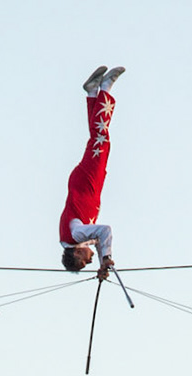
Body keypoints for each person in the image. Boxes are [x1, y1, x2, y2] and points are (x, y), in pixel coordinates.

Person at [59, 65, 126, 280]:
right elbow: (96, 240)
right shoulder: (73, 239)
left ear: (77, 251)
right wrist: (103, 263)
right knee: (98, 138)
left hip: (86, 183)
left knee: (101, 139)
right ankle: (92, 92)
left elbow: (104, 232)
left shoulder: (76, 235)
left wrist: (105, 258)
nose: (89, 260)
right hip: (88, 185)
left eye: (85, 260)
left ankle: (106, 88)